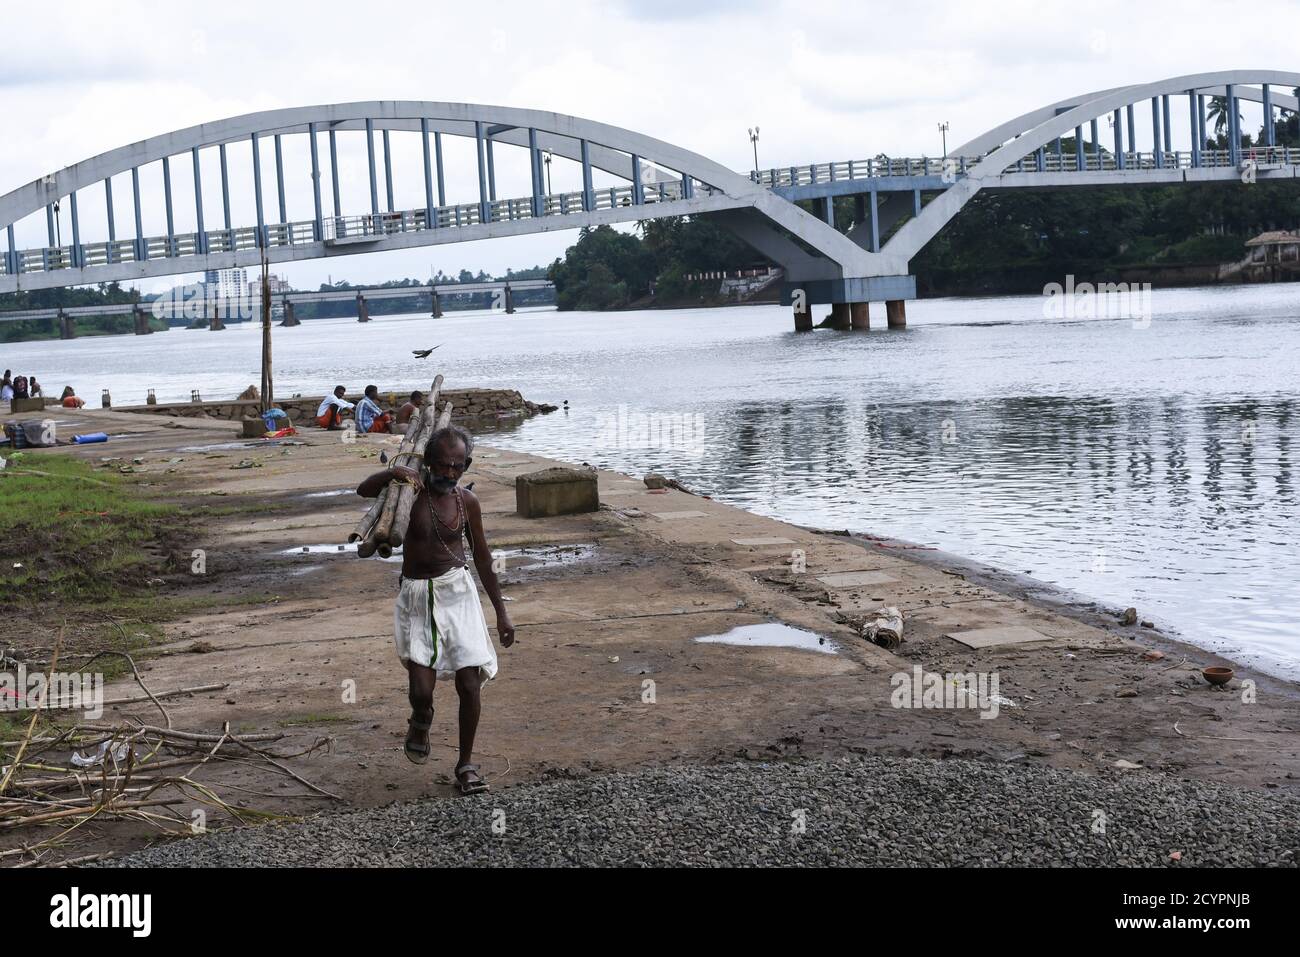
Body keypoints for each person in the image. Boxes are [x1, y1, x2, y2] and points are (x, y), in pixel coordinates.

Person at [355, 425, 514, 795]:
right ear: (428, 463)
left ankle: (467, 764)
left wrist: (502, 613)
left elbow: (485, 558)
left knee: (469, 682)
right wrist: (392, 472)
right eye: (442, 466)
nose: (449, 474)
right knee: (421, 690)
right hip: (417, 596)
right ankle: (421, 718)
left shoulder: (466, 503)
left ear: (467, 465)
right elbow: (363, 490)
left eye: (457, 467)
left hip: (458, 594)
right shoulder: (407, 494)